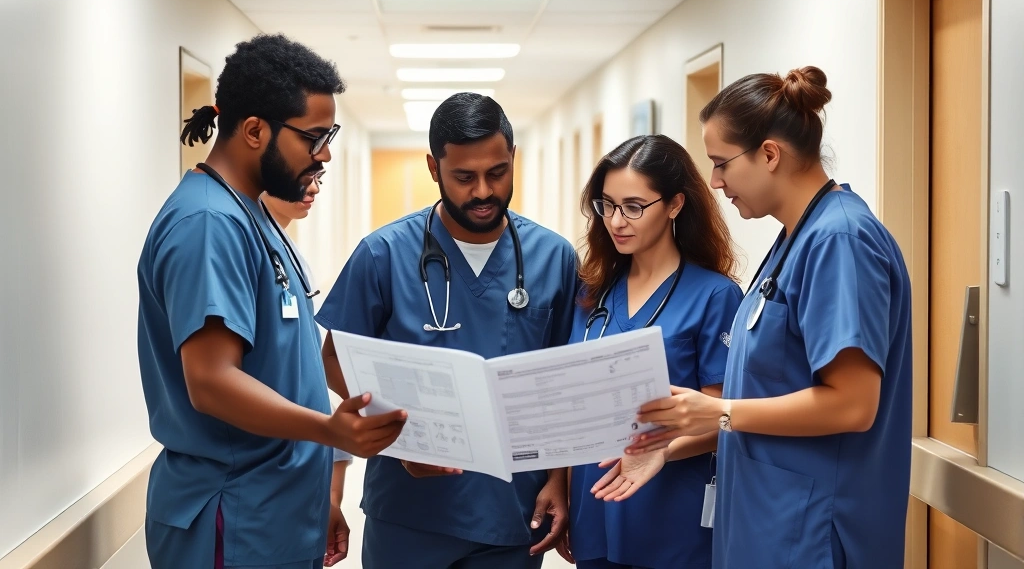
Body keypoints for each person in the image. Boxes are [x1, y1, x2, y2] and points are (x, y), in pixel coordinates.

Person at [137, 34, 406, 569]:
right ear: (255, 130)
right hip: (233, 519)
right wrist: (328, 430)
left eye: (330, 135)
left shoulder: (255, 216)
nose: (325, 153)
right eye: (314, 137)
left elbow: (290, 368)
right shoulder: (208, 224)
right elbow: (211, 381)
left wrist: (322, 493)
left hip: (277, 513)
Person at [629, 66, 913, 568]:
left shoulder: (839, 241)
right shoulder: (794, 240)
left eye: (721, 163)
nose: (714, 182)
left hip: (815, 532)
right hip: (771, 525)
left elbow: (853, 404)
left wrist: (718, 411)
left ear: (769, 154)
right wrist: (672, 446)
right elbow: (769, 394)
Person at [315, 92, 578, 569]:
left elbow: (561, 379)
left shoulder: (554, 257)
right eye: (463, 177)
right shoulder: (382, 254)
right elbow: (334, 360)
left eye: (497, 173)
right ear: (434, 169)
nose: (482, 191)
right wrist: (399, 433)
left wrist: (559, 477)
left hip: (512, 510)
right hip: (409, 509)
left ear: (513, 159)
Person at [556, 135, 742, 569]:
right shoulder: (592, 292)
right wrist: (563, 487)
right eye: (607, 205)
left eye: (634, 207)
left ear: (675, 204)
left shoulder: (715, 296)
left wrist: (660, 449)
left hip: (671, 518)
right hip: (595, 505)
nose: (617, 221)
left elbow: (724, 416)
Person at [259, 174, 356, 567]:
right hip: (259, 498)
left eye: (320, 178)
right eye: (305, 176)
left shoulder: (292, 257)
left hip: (302, 495)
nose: (315, 187)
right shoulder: (224, 235)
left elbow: (315, 387)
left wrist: (331, 497)